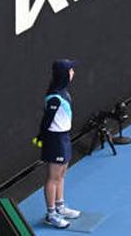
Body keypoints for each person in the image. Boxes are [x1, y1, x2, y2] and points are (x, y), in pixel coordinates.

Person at [34, 58, 81, 229]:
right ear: (64, 74)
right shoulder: (55, 97)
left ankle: (60, 206)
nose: (73, 72)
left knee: (61, 174)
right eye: (71, 70)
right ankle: (51, 214)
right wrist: (41, 138)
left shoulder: (63, 91)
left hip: (64, 137)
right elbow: (46, 122)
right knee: (53, 177)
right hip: (55, 140)